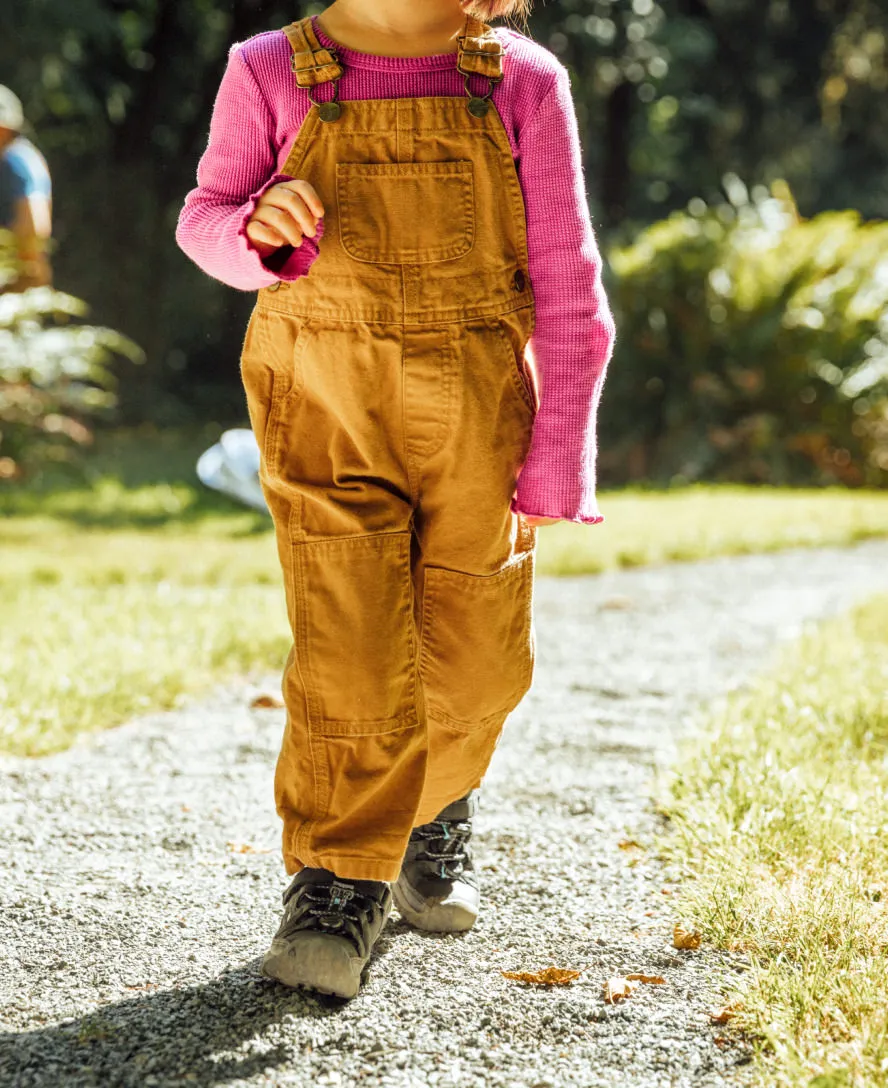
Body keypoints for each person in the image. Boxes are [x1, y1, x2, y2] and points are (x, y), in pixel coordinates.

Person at [177, 0, 615, 999]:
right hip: (323, 401)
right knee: (351, 646)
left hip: (478, 417)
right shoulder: (270, 71)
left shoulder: (519, 82)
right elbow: (202, 219)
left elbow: (566, 277)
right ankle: (336, 878)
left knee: (476, 664)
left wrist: (558, 451)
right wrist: (256, 229)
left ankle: (438, 799)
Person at [0, 86, 52, 291]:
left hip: (16, 291)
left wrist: (15, 281)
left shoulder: (15, 162)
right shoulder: (22, 156)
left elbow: (34, 228)